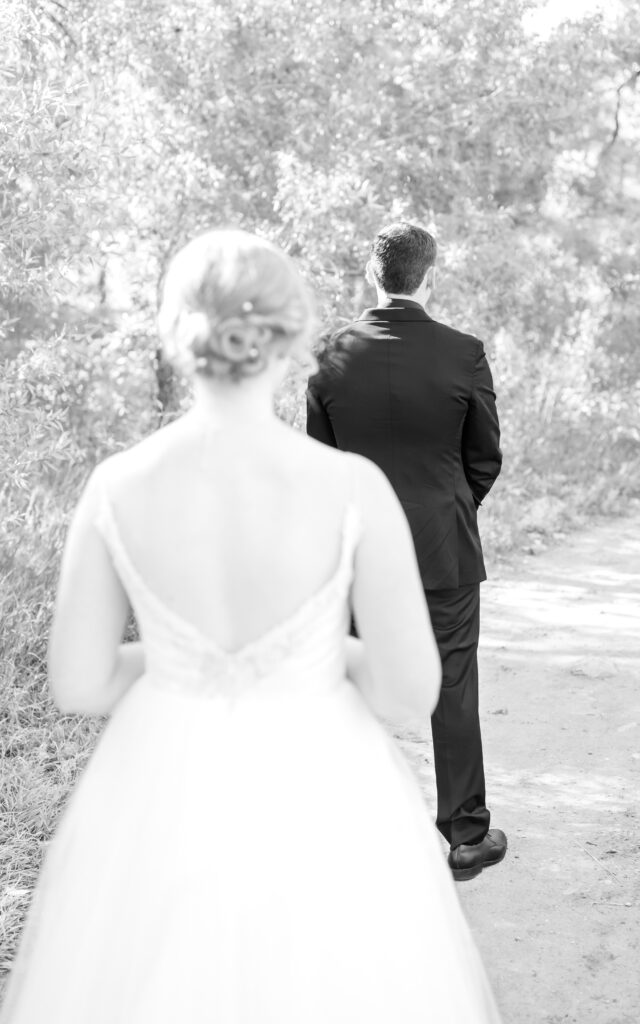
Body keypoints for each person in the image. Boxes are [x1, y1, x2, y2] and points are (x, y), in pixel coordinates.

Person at [0, 229, 501, 1024]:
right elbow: (409, 691)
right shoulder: (348, 487)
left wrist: (180, 662)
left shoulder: (116, 484)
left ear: (174, 332)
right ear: (293, 336)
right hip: (323, 780)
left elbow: (79, 682)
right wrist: (313, 654)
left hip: (156, 787)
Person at [306, 222, 505, 882]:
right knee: (450, 684)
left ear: (373, 272)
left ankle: (349, 833)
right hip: (442, 546)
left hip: (358, 551)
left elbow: (322, 466)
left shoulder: (331, 354)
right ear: (430, 276)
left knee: (353, 684)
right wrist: (448, 510)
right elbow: (484, 458)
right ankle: (465, 837)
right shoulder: (463, 352)